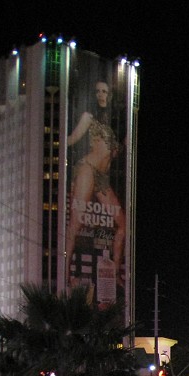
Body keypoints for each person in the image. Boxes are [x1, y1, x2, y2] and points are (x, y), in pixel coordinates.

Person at [64, 119, 126, 302]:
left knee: (122, 224)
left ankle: (115, 272)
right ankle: (65, 273)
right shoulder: (91, 118)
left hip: (102, 178)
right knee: (75, 224)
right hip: (88, 171)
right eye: (99, 91)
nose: (101, 94)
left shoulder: (120, 127)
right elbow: (72, 138)